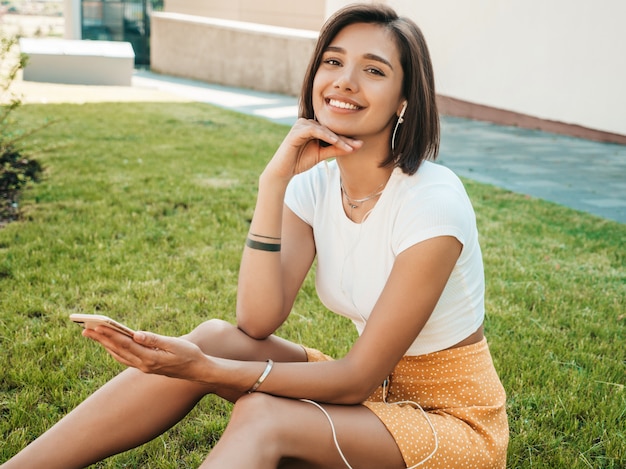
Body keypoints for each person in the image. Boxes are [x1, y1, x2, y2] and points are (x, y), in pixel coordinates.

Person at [2, 4, 509, 468]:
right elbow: (257, 319)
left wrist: (206, 371)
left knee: (261, 413)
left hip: (451, 419)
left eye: (374, 70)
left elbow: (355, 377)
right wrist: (274, 184)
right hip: (374, 398)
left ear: (404, 100)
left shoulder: (432, 203)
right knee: (218, 335)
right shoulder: (314, 183)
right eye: (332, 62)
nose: (345, 82)